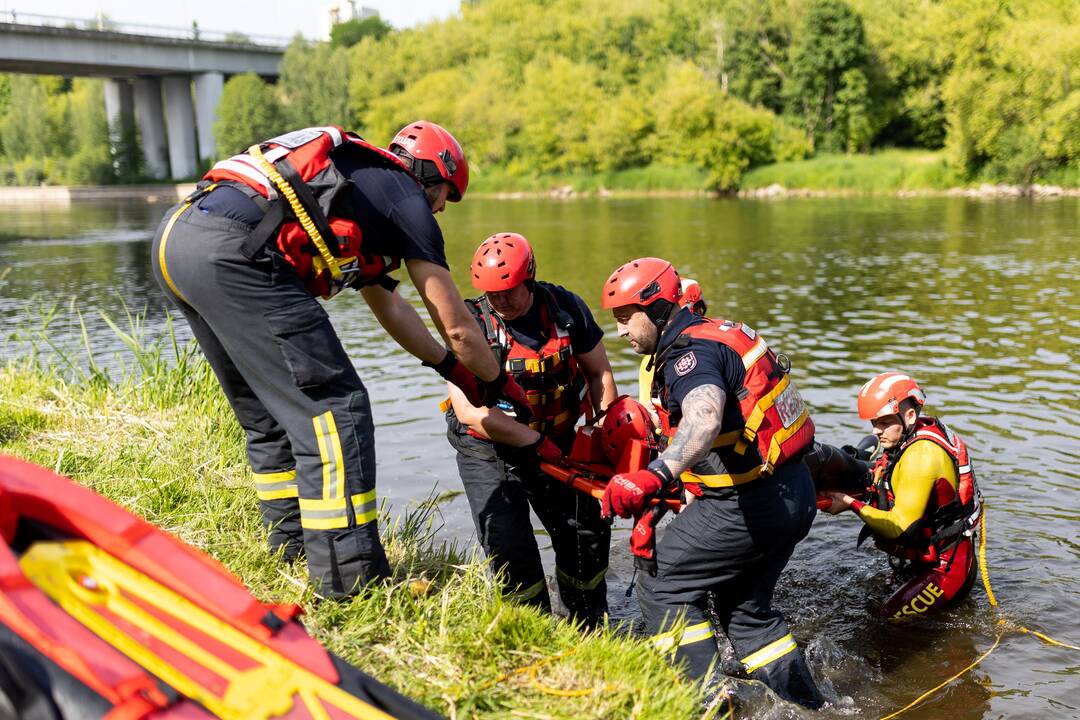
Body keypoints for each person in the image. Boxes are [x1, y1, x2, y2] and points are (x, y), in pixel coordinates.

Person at [150, 122, 527, 599]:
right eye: (445, 197)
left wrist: (449, 369)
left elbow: (390, 304)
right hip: (235, 252)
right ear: (432, 175)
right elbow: (455, 324)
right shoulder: (406, 201)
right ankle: (350, 582)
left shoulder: (357, 184)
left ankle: (291, 547)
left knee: (269, 416)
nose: (439, 210)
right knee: (335, 412)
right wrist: (495, 382)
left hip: (178, 239)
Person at [599, 257, 823, 709]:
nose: (620, 331)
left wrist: (654, 475)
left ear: (656, 307)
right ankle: (814, 708)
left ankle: (703, 703)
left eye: (625, 318)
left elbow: (703, 419)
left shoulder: (689, 355)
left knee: (661, 582)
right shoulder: (720, 333)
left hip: (749, 505)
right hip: (792, 494)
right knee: (745, 613)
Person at [444, 232, 618, 627]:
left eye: (508, 291)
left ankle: (588, 622)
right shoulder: (470, 323)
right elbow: (469, 411)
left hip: (559, 439)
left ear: (530, 278)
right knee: (509, 544)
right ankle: (533, 630)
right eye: (491, 293)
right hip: (488, 448)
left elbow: (599, 373)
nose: (500, 300)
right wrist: (535, 443)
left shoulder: (565, 308)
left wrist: (603, 430)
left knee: (585, 535)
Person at [822, 373, 982, 621]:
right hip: (919, 560)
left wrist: (849, 504)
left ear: (909, 416)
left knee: (884, 620)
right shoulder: (905, 441)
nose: (876, 430)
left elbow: (900, 528)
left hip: (946, 570)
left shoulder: (922, 455)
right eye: (874, 422)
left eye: (884, 422)